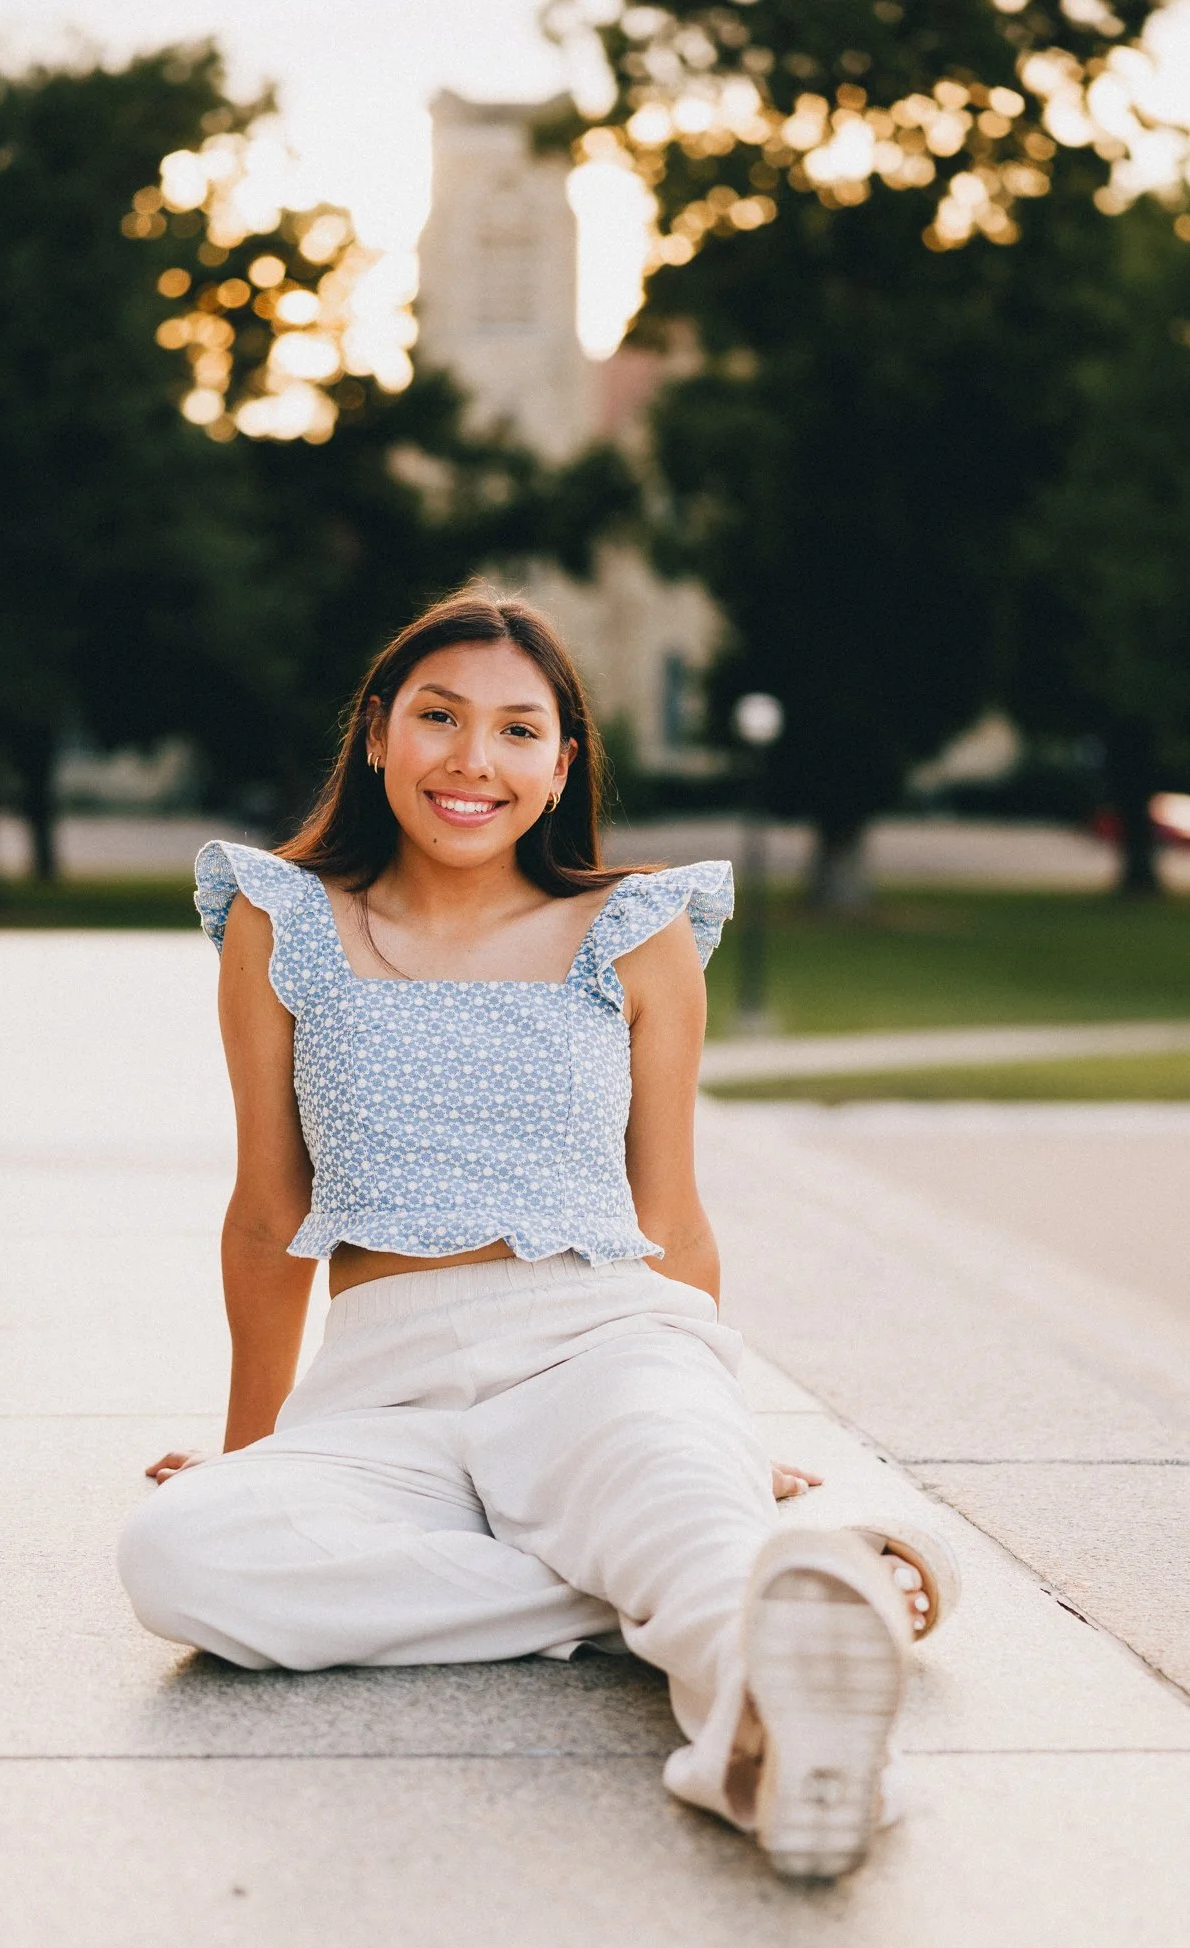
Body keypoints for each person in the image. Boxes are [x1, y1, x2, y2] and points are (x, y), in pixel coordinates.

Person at [117, 587, 957, 1882]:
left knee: (679, 1512)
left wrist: (720, 1425)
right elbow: (268, 1213)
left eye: (519, 731)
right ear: (378, 734)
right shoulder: (283, 923)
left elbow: (670, 1213)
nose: (474, 760)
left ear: (562, 767)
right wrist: (248, 1451)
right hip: (379, 1386)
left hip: (601, 1345)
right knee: (181, 1561)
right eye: (440, 718)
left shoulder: (636, 931)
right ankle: (738, 1580)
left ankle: (776, 1746)